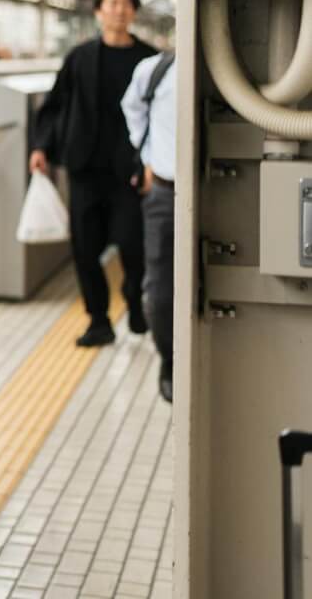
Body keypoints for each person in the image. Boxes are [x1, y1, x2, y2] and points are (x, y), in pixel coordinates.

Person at [29, 0, 157, 347]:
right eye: (111, 4)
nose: (118, 10)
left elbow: (163, 115)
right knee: (85, 249)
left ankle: (134, 301)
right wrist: (41, 146)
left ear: (133, 12)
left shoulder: (148, 60)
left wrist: (153, 164)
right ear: (99, 12)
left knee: (134, 246)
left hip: (130, 172)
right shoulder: (80, 58)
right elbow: (55, 105)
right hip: (84, 169)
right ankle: (98, 320)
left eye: (125, 4)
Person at [122, 50, 177, 402]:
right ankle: (170, 359)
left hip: (223, 191)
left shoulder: (231, 62)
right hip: (165, 191)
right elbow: (133, 107)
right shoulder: (155, 69)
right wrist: (147, 158)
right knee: (160, 287)